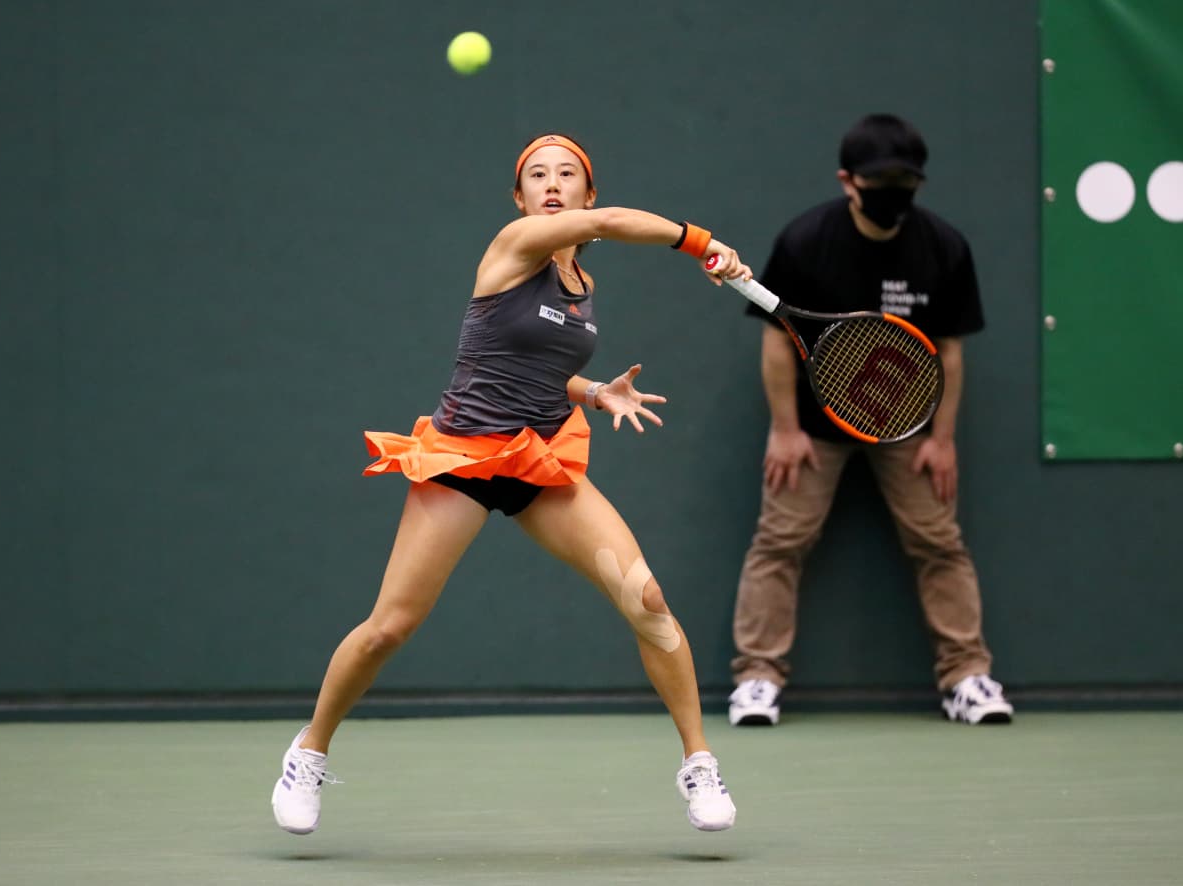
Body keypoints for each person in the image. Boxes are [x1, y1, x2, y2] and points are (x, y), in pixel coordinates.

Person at [271, 133, 751, 836]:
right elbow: (610, 226)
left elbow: (524, 362)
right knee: (390, 628)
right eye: (536, 175)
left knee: (646, 599)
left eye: (567, 175)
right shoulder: (515, 245)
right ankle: (306, 752)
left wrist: (592, 392)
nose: (552, 184)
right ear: (520, 198)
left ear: (585, 189)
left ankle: (700, 763)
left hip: (538, 461)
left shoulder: (582, 286)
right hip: (463, 462)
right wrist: (702, 244)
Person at [727, 114, 1014, 728]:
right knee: (780, 542)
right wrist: (784, 428)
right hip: (813, 425)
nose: (894, 192)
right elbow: (779, 344)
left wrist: (943, 439)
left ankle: (968, 677)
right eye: (880, 180)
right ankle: (757, 679)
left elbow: (950, 350)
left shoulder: (943, 247)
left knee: (939, 543)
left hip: (907, 425)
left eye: (905, 180)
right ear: (847, 181)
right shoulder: (807, 241)